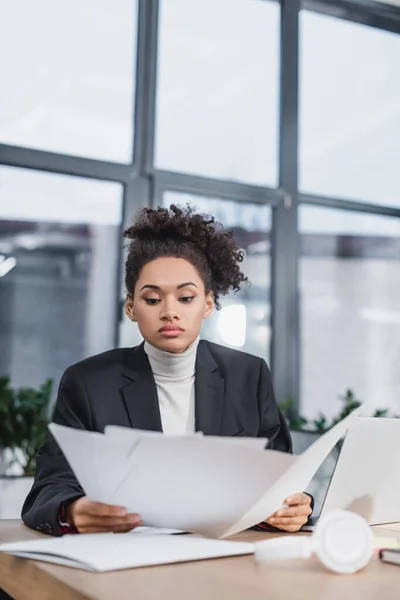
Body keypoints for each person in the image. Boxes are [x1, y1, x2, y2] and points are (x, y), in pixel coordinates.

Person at [22, 204, 312, 536]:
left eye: (186, 298)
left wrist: (291, 508)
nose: (170, 312)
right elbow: (49, 487)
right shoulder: (88, 382)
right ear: (131, 307)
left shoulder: (249, 375)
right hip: (126, 557)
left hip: (225, 556)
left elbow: (279, 482)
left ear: (207, 304)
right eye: (153, 299)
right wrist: (72, 510)